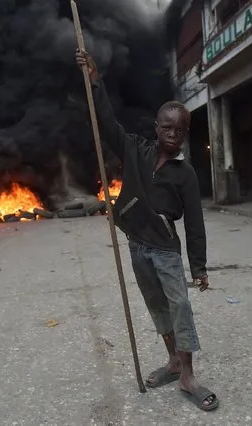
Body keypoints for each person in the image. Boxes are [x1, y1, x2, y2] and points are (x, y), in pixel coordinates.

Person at [76, 49, 218, 411]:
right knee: (156, 307)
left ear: (186, 133)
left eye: (180, 129)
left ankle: (187, 374)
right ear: (156, 128)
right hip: (137, 246)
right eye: (166, 127)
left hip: (166, 251)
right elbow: (107, 123)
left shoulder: (185, 174)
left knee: (180, 306)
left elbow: (196, 223)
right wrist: (95, 81)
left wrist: (198, 266)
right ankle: (172, 360)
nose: (172, 134)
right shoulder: (136, 150)